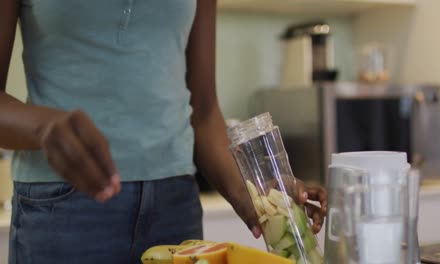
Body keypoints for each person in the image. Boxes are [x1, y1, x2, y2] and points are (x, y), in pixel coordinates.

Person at [0, 0, 327, 263]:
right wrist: (44, 127)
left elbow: (204, 112)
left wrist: (257, 197)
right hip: (64, 211)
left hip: (175, 208)